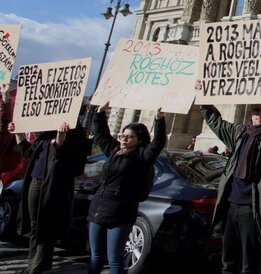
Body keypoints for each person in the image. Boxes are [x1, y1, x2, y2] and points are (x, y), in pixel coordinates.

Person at [200, 82, 261, 274]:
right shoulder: (239, 133)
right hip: (231, 205)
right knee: (228, 259)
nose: (259, 113)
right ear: (250, 112)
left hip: (252, 208)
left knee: (249, 262)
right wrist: (204, 100)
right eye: (256, 110)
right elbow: (217, 123)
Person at [7, 84, 89, 274]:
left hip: (53, 186)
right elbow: (28, 151)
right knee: (35, 225)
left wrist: (61, 143)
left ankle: (38, 267)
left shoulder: (76, 132)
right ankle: (33, 265)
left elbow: (72, 162)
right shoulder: (47, 132)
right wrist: (18, 132)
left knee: (46, 225)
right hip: (35, 181)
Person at [88, 103, 167, 274]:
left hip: (120, 214)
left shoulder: (141, 157)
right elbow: (102, 135)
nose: (123, 139)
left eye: (129, 137)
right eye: (123, 136)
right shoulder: (114, 151)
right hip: (98, 211)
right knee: (96, 256)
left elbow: (158, 143)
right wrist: (99, 113)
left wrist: (159, 120)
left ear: (139, 140)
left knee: (115, 259)